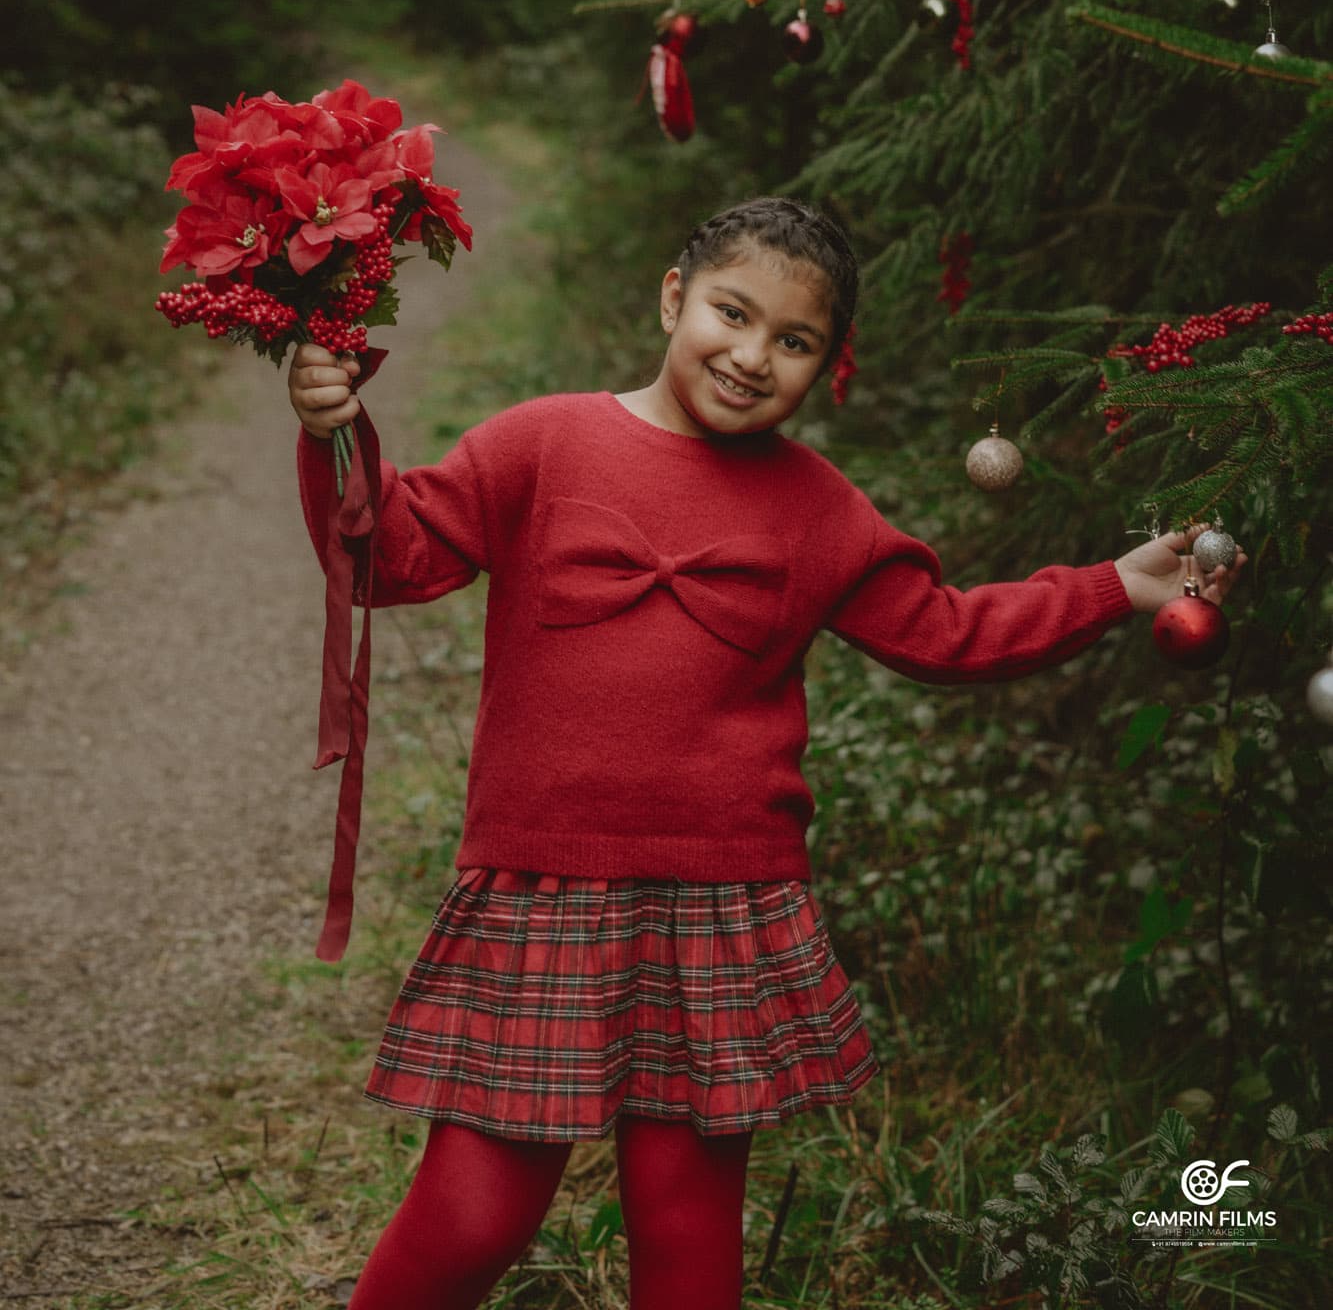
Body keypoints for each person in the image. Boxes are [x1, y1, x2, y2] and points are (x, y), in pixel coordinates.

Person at [287, 195, 1245, 1310]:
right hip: (543, 892)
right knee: (472, 1210)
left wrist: (1108, 588)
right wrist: (333, 434)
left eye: (793, 342)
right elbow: (392, 554)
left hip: (720, 906)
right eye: (730, 313)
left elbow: (944, 630)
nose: (750, 356)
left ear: (826, 366)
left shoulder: (815, 506)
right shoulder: (542, 442)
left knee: (688, 1231)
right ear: (672, 296)